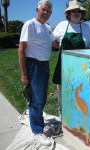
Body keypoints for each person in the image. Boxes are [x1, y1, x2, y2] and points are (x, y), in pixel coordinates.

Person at [18, 0, 55, 146]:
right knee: (36, 100)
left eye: (49, 11)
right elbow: (21, 49)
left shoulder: (47, 27)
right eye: (43, 10)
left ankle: (36, 120)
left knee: (41, 98)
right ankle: (37, 131)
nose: (46, 13)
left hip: (44, 65)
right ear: (37, 10)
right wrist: (24, 74)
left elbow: (54, 43)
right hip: (33, 65)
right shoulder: (30, 24)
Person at [52, 0, 90, 119]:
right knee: (62, 93)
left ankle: (77, 117)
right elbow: (53, 40)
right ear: (69, 13)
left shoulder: (85, 27)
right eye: (73, 11)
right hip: (63, 67)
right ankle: (62, 117)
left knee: (80, 93)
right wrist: (60, 46)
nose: (76, 13)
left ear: (81, 14)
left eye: (78, 11)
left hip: (81, 68)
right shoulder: (61, 25)